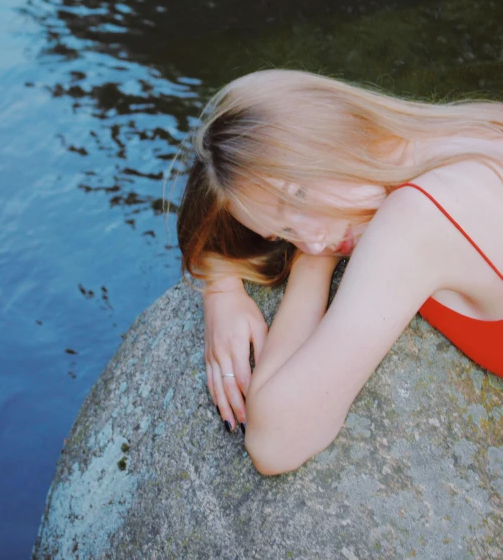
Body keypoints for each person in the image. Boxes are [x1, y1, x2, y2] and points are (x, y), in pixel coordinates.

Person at [176, 69, 503, 475]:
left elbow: (274, 441)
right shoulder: (459, 129)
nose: (311, 240)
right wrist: (220, 289)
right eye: (284, 233)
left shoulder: (419, 219)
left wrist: (312, 267)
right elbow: (209, 237)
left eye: (298, 194)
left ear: (327, 131)